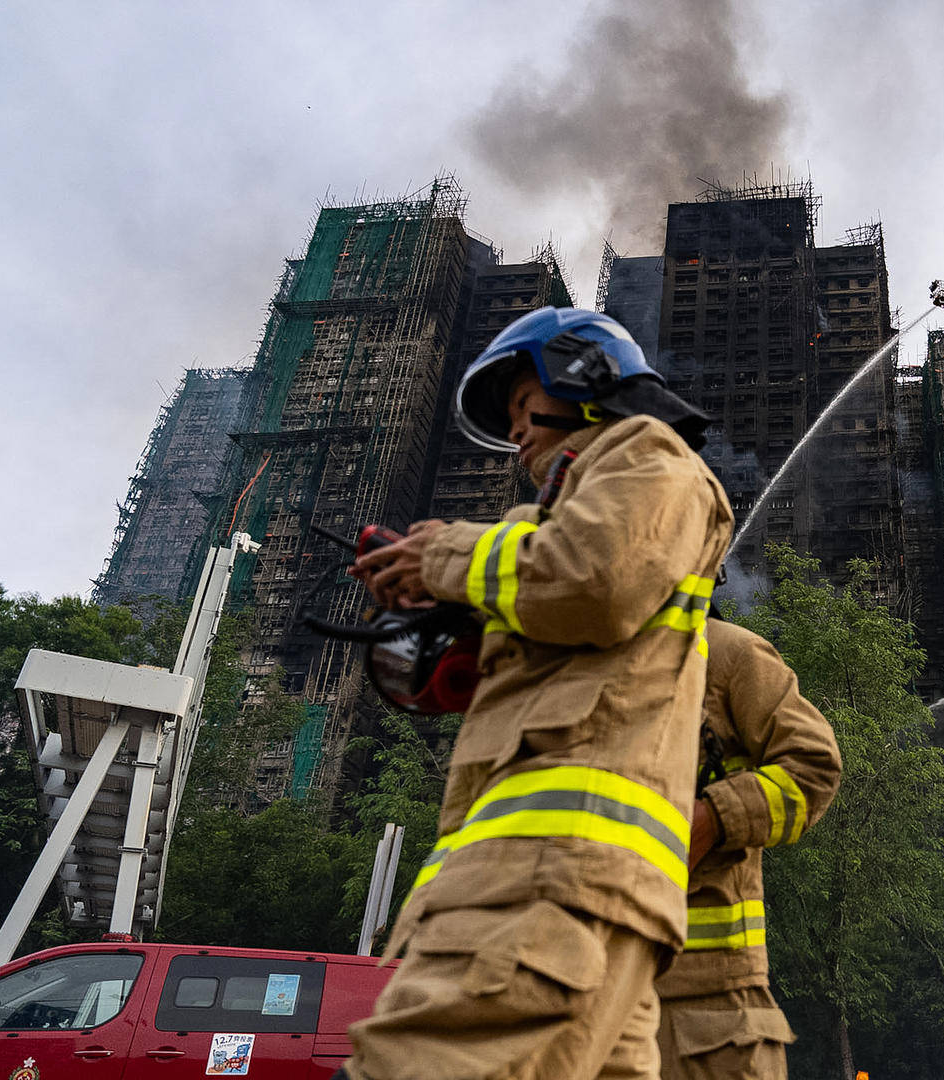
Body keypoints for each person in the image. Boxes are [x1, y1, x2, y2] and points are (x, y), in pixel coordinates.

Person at [343, 307, 732, 1080]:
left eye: (526, 407)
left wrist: (447, 555)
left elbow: (596, 579)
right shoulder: (549, 524)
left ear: (586, 380)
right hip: (581, 887)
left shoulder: (646, 455)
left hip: (548, 879)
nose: (517, 433)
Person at [657, 617, 842, 1080]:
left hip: (707, 1010)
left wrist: (714, 818)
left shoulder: (728, 655)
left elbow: (813, 769)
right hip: (577, 996)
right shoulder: (561, 670)